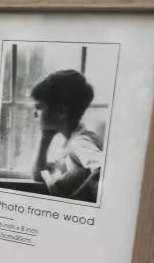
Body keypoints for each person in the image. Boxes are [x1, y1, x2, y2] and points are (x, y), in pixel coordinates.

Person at [31, 69, 102, 202]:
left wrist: (74, 202)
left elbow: (102, 169)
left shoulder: (80, 142)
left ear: (61, 111)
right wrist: (45, 139)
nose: (34, 113)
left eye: (39, 107)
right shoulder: (70, 141)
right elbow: (39, 175)